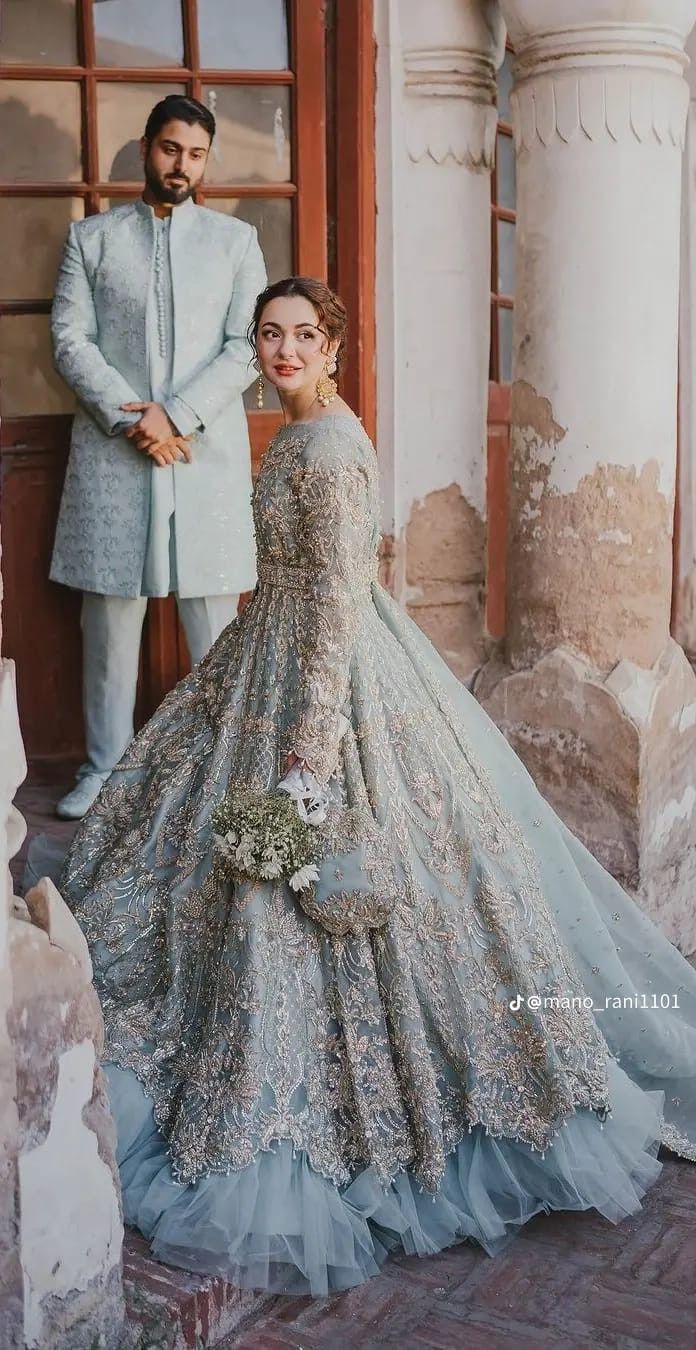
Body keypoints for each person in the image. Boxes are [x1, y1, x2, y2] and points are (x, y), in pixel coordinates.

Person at [60, 277, 696, 1299]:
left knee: (312, 890)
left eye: (302, 335)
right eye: (269, 334)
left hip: (328, 687)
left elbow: (338, 615)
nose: (282, 349)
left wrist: (308, 763)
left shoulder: (331, 450)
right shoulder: (300, 430)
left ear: (334, 346)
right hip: (270, 656)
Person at [50, 94, 267, 820]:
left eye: (197, 154)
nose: (183, 166)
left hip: (202, 452)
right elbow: (70, 340)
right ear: (146, 148)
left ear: (207, 162)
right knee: (110, 616)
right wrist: (135, 420)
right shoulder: (94, 240)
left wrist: (176, 415)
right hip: (117, 454)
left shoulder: (235, 243)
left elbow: (246, 346)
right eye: (171, 149)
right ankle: (103, 769)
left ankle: (223, 772)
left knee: (216, 619)